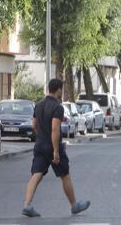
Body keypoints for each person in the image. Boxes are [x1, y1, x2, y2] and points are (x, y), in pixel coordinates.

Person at [22, 78, 90, 217]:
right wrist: (56, 151)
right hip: (52, 146)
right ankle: (74, 205)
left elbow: (34, 125)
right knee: (65, 175)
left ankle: (27, 205)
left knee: (36, 174)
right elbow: (55, 128)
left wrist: (41, 136)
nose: (62, 91)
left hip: (39, 145)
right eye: (62, 89)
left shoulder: (39, 105)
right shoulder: (58, 107)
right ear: (58, 90)